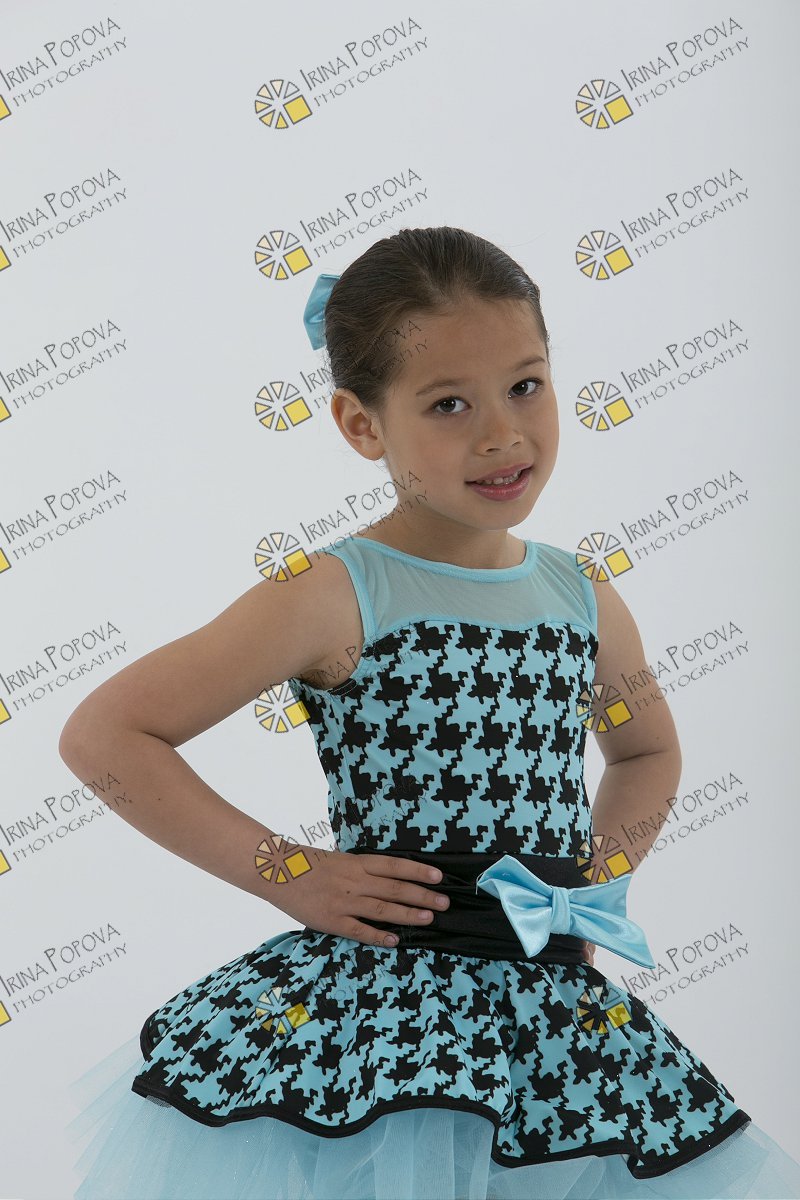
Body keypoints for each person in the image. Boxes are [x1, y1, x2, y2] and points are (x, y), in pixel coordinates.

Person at [61, 227, 800, 1200]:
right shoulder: (333, 593)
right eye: (449, 404)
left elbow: (647, 751)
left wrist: (588, 884)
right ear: (360, 425)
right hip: (382, 1013)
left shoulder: (581, 594)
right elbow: (107, 735)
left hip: (547, 1014)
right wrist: (291, 873)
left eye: (524, 386)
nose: (501, 434)